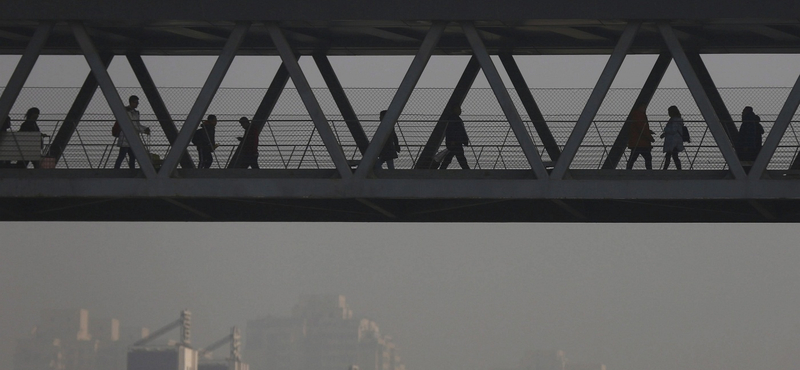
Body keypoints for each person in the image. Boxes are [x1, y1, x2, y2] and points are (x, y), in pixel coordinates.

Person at [113, 95, 150, 169]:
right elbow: (133, 125)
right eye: (135, 102)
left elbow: (136, 125)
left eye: (137, 102)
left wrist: (144, 129)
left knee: (129, 156)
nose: (137, 104)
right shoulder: (127, 112)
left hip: (129, 138)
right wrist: (144, 130)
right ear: (131, 102)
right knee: (124, 156)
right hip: (126, 138)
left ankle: (122, 170)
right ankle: (124, 170)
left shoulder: (133, 112)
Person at [626, 102, 655, 170]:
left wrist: (648, 132)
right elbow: (642, 128)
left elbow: (640, 127)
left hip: (637, 141)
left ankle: (628, 169)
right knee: (647, 157)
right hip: (641, 141)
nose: (645, 108)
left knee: (633, 157)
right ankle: (649, 171)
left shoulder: (636, 115)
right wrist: (650, 137)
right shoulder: (640, 115)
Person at [660, 105, 684, 170]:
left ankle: (665, 169)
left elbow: (673, 130)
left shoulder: (674, 120)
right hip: (676, 140)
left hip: (672, 141)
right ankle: (678, 169)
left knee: (669, 155)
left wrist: (666, 130)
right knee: (674, 156)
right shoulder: (678, 120)